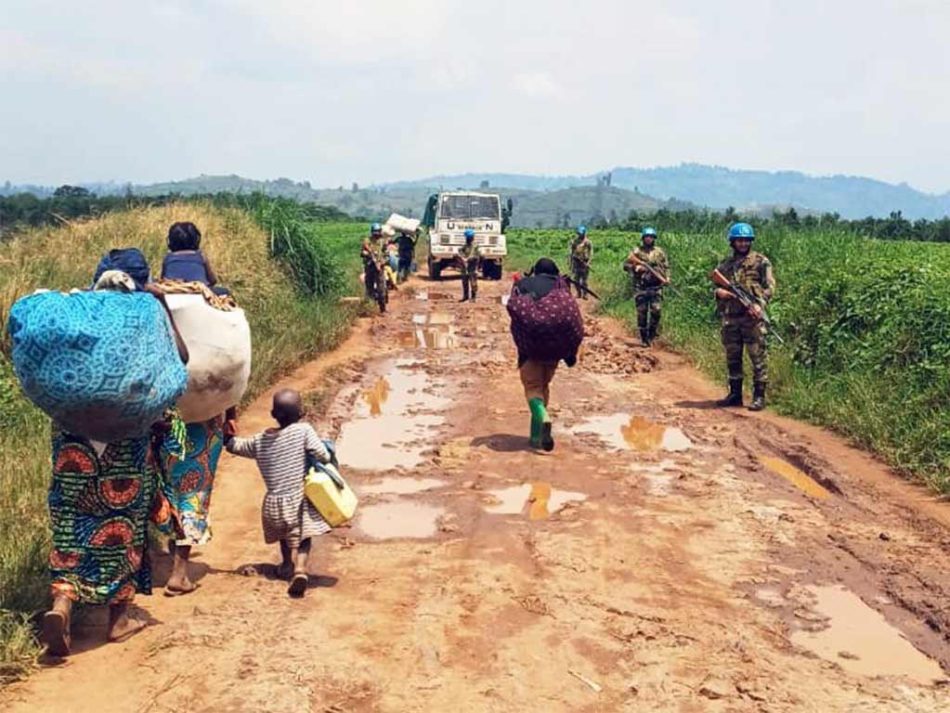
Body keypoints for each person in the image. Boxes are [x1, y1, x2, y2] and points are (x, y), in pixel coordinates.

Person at [41, 262, 189, 656]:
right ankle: (118, 620)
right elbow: (180, 362)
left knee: (72, 523)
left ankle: (63, 602)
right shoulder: (141, 322)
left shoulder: (80, 320)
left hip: (74, 447)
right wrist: (161, 307)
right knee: (123, 528)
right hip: (126, 448)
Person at [223, 389, 332, 597]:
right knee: (303, 536)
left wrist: (228, 425)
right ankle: (300, 568)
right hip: (296, 500)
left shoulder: (260, 440)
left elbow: (233, 446)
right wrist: (323, 455)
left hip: (272, 504)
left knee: (283, 535)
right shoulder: (304, 431)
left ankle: (286, 565)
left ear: (273, 414)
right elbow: (322, 455)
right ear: (301, 413)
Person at [509, 258, 581, 451]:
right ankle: (535, 438)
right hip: (555, 350)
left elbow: (516, 313)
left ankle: (544, 418)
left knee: (532, 388)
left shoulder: (525, 284)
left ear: (536, 271)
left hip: (531, 350)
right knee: (543, 386)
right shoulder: (561, 287)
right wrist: (570, 352)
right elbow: (573, 320)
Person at [714, 222, 776, 411]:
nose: (742, 244)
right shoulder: (725, 265)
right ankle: (735, 395)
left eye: (746, 240)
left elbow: (770, 287)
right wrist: (721, 293)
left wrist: (759, 304)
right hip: (731, 318)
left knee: (758, 358)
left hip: (752, 318)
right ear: (733, 242)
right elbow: (716, 288)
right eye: (739, 240)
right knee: (733, 357)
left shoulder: (761, 262)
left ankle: (759, 397)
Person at [623, 227, 669, 346]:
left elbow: (666, 267)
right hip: (641, 287)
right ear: (643, 238)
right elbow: (626, 265)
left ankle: (652, 334)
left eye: (651, 237)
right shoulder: (636, 251)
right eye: (647, 237)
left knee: (656, 311)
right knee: (642, 313)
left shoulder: (659, 252)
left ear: (654, 238)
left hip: (656, 287)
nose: (649, 239)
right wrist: (636, 268)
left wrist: (667, 278)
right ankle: (644, 339)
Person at [160, 222, 219, 288]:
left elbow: (163, 280)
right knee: (224, 291)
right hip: (198, 292)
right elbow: (213, 280)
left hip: (173, 292)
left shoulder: (168, 258)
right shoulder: (201, 257)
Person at [360, 223, 387, 312]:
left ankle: (382, 308)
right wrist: (367, 254)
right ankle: (370, 308)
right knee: (369, 288)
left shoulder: (383, 242)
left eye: (378, 232)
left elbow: (386, 254)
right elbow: (362, 253)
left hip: (379, 268)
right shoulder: (367, 241)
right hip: (369, 267)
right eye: (375, 232)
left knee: (381, 289)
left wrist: (382, 262)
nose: (376, 234)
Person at [568, 225, 593, 299]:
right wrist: (570, 263)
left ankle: (585, 294)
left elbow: (591, 253)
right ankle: (579, 293)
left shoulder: (588, 242)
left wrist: (589, 262)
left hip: (584, 263)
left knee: (584, 281)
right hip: (576, 262)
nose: (580, 235)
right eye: (579, 233)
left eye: (581, 233)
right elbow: (571, 253)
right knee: (576, 280)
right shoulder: (574, 242)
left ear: (584, 233)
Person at [457, 228, 481, 302]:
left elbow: (475, 255)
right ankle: (465, 296)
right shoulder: (465, 246)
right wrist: (462, 257)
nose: (468, 238)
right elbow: (460, 251)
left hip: (472, 266)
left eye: (469, 237)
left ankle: (473, 297)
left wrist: (467, 259)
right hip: (465, 266)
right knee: (465, 281)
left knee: (473, 282)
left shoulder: (475, 246)